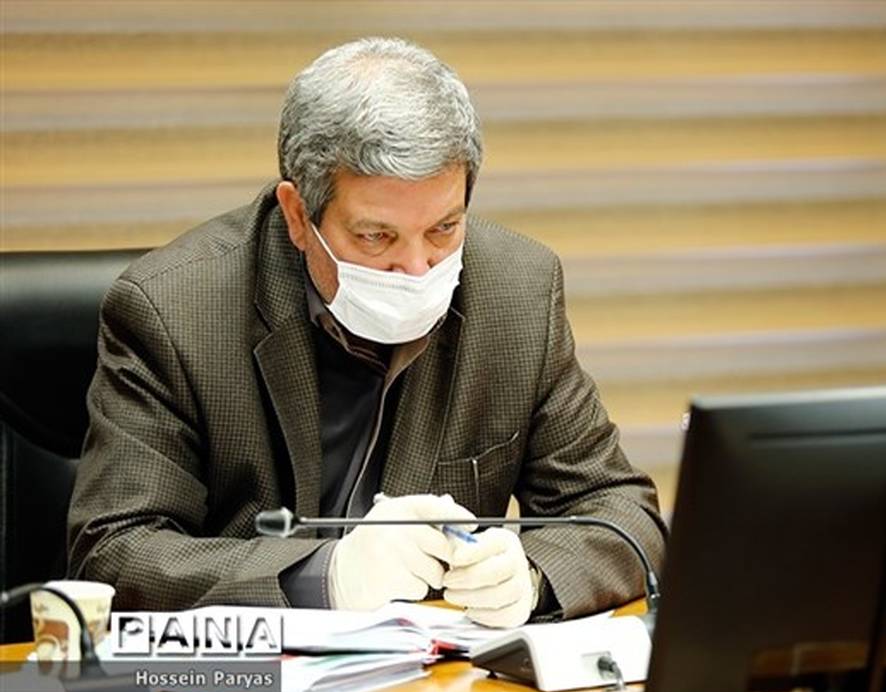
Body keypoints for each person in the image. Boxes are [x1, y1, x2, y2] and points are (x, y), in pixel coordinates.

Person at [67, 38, 667, 628]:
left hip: (436, 679)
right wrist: (323, 577)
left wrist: (531, 575)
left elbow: (623, 514)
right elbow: (116, 554)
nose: (417, 268)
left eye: (443, 229)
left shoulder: (515, 293)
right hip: (246, 679)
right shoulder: (175, 310)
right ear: (298, 215)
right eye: (377, 237)